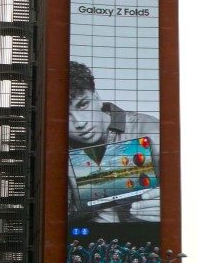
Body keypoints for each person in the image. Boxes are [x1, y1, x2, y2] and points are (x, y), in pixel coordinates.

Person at [68, 61, 160, 223]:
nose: (80, 122)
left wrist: (170, 206)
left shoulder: (152, 132)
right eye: (65, 115)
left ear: (97, 98)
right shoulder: (56, 151)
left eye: (83, 105)